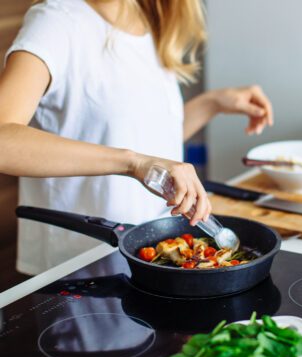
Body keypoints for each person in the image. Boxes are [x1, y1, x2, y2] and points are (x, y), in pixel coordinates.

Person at [0, 0, 273, 275]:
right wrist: (133, 163)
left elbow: (146, 141)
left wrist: (211, 104)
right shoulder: (55, 21)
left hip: (152, 260)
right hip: (81, 266)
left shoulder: (148, 20)